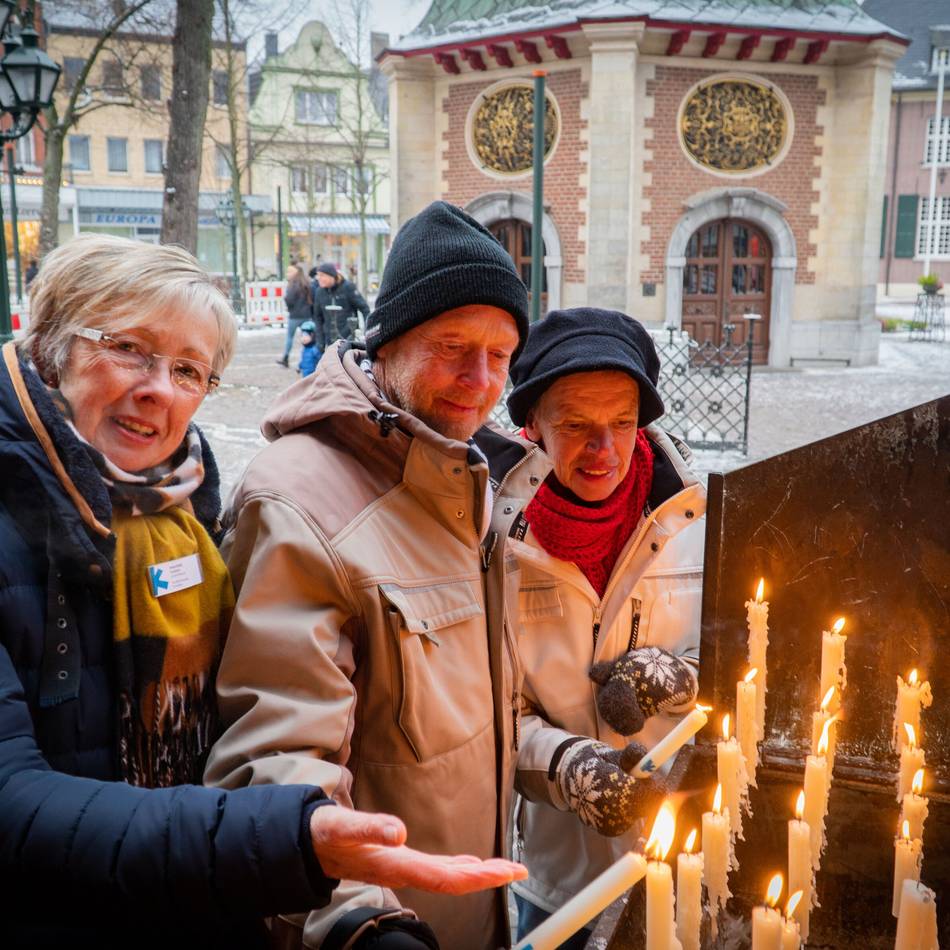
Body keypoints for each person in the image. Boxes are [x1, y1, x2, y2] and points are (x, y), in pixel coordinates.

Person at [0, 234, 524, 949]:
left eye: (189, 369)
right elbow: (15, 797)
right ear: (49, 347)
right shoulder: (286, 497)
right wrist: (305, 856)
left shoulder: (176, 517)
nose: (158, 388)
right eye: (128, 348)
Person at [205, 201, 571, 949]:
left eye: (500, 354)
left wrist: (565, 761)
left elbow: (463, 726)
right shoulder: (300, 500)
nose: (480, 379)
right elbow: (274, 761)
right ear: (390, 342)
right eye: (453, 346)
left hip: (470, 913)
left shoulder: (468, 482)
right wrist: (359, 922)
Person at [505, 308, 707, 948]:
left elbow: (750, 657)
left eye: (622, 422)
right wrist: (566, 765)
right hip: (558, 879)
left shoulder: (693, 518)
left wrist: (682, 680)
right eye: (576, 425)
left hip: (685, 858)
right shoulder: (493, 541)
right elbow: (484, 709)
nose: (605, 449)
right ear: (531, 424)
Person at [312, 260, 370, 348]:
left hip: (349, 338)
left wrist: (367, 331)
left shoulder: (347, 287)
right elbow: (318, 318)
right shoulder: (319, 292)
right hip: (330, 339)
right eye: (318, 275)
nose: (318, 278)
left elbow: (364, 308)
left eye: (322, 275)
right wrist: (320, 341)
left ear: (332, 276)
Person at [278, 264, 312, 367]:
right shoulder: (307, 283)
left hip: (295, 316)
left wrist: (290, 307)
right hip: (306, 315)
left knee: (290, 337)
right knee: (306, 336)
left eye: (290, 271)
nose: (288, 274)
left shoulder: (293, 284)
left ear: (296, 272)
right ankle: (306, 359)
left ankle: (286, 358)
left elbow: (289, 299)